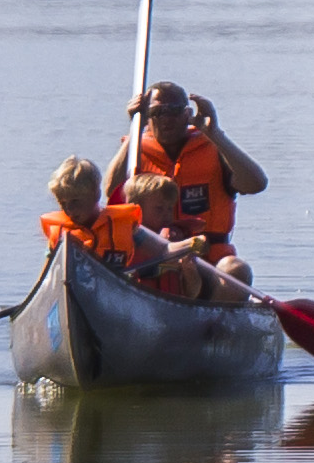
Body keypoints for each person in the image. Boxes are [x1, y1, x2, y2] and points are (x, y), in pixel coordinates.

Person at [109, 81, 266, 291]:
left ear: (187, 114)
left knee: (236, 269)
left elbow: (256, 183)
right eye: (157, 112)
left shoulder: (212, 148)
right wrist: (135, 129)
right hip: (152, 261)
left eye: (174, 111)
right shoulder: (135, 150)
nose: (166, 118)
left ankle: (211, 319)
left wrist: (215, 133)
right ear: (147, 116)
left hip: (207, 261)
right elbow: (112, 191)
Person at [47, 152, 248, 308]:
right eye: (62, 202)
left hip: (123, 305)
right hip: (86, 302)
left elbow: (163, 250)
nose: (69, 210)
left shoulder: (125, 226)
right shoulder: (61, 233)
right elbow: (46, 279)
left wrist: (189, 245)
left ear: (95, 194)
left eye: (75, 201)